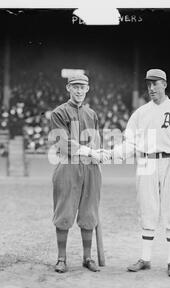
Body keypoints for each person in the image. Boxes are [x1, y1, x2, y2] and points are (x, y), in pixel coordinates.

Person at [110, 69, 170, 278]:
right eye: (148, 84)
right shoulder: (140, 113)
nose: (151, 88)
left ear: (165, 84)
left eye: (155, 83)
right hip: (146, 161)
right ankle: (145, 258)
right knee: (147, 207)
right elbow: (129, 143)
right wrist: (108, 155)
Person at [48, 74, 110, 274]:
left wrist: (98, 154)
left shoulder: (92, 114)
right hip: (68, 166)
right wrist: (88, 151)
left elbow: (97, 142)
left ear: (88, 89)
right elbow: (63, 143)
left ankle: (87, 257)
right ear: (68, 88)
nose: (78, 90)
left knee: (89, 213)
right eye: (75, 86)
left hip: (90, 168)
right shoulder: (59, 113)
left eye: (82, 87)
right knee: (64, 212)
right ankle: (61, 258)